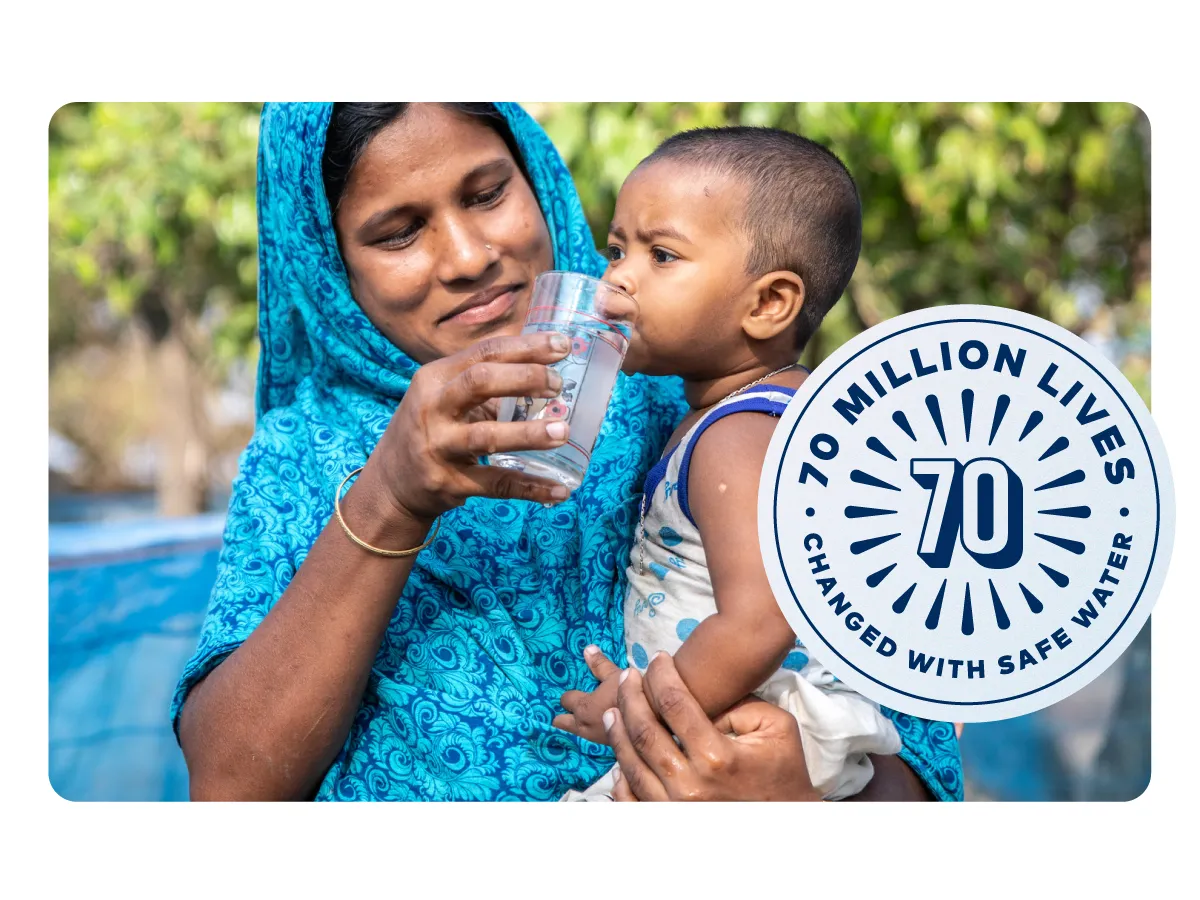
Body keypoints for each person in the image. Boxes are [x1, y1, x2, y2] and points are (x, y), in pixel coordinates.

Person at [172, 102, 963, 801]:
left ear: (534, 175)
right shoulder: (309, 453)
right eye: (399, 232)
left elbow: (910, 727)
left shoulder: (689, 392)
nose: (468, 255)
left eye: (487, 194)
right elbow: (231, 788)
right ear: (329, 263)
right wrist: (392, 493)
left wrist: (791, 818)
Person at [556, 128, 902, 800]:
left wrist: (635, 713)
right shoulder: (779, 415)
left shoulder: (739, 434)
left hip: (743, 730)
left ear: (768, 304)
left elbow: (760, 620)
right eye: (617, 250)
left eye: (661, 255)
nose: (618, 277)